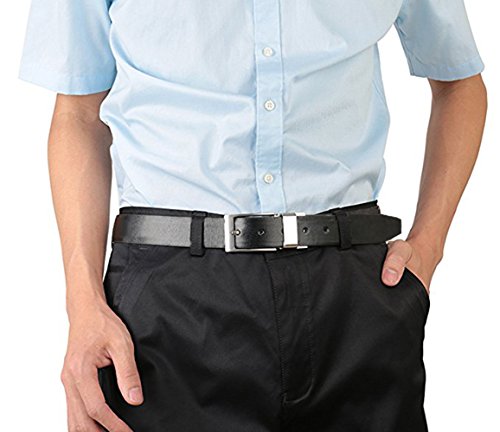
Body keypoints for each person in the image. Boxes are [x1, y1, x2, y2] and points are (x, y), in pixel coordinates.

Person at [18, 1, 487, 431]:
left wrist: (429, 244)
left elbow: (459, 82)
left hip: (355, 298)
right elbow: (78, 114)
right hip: (171, 303)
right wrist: (83, 303)